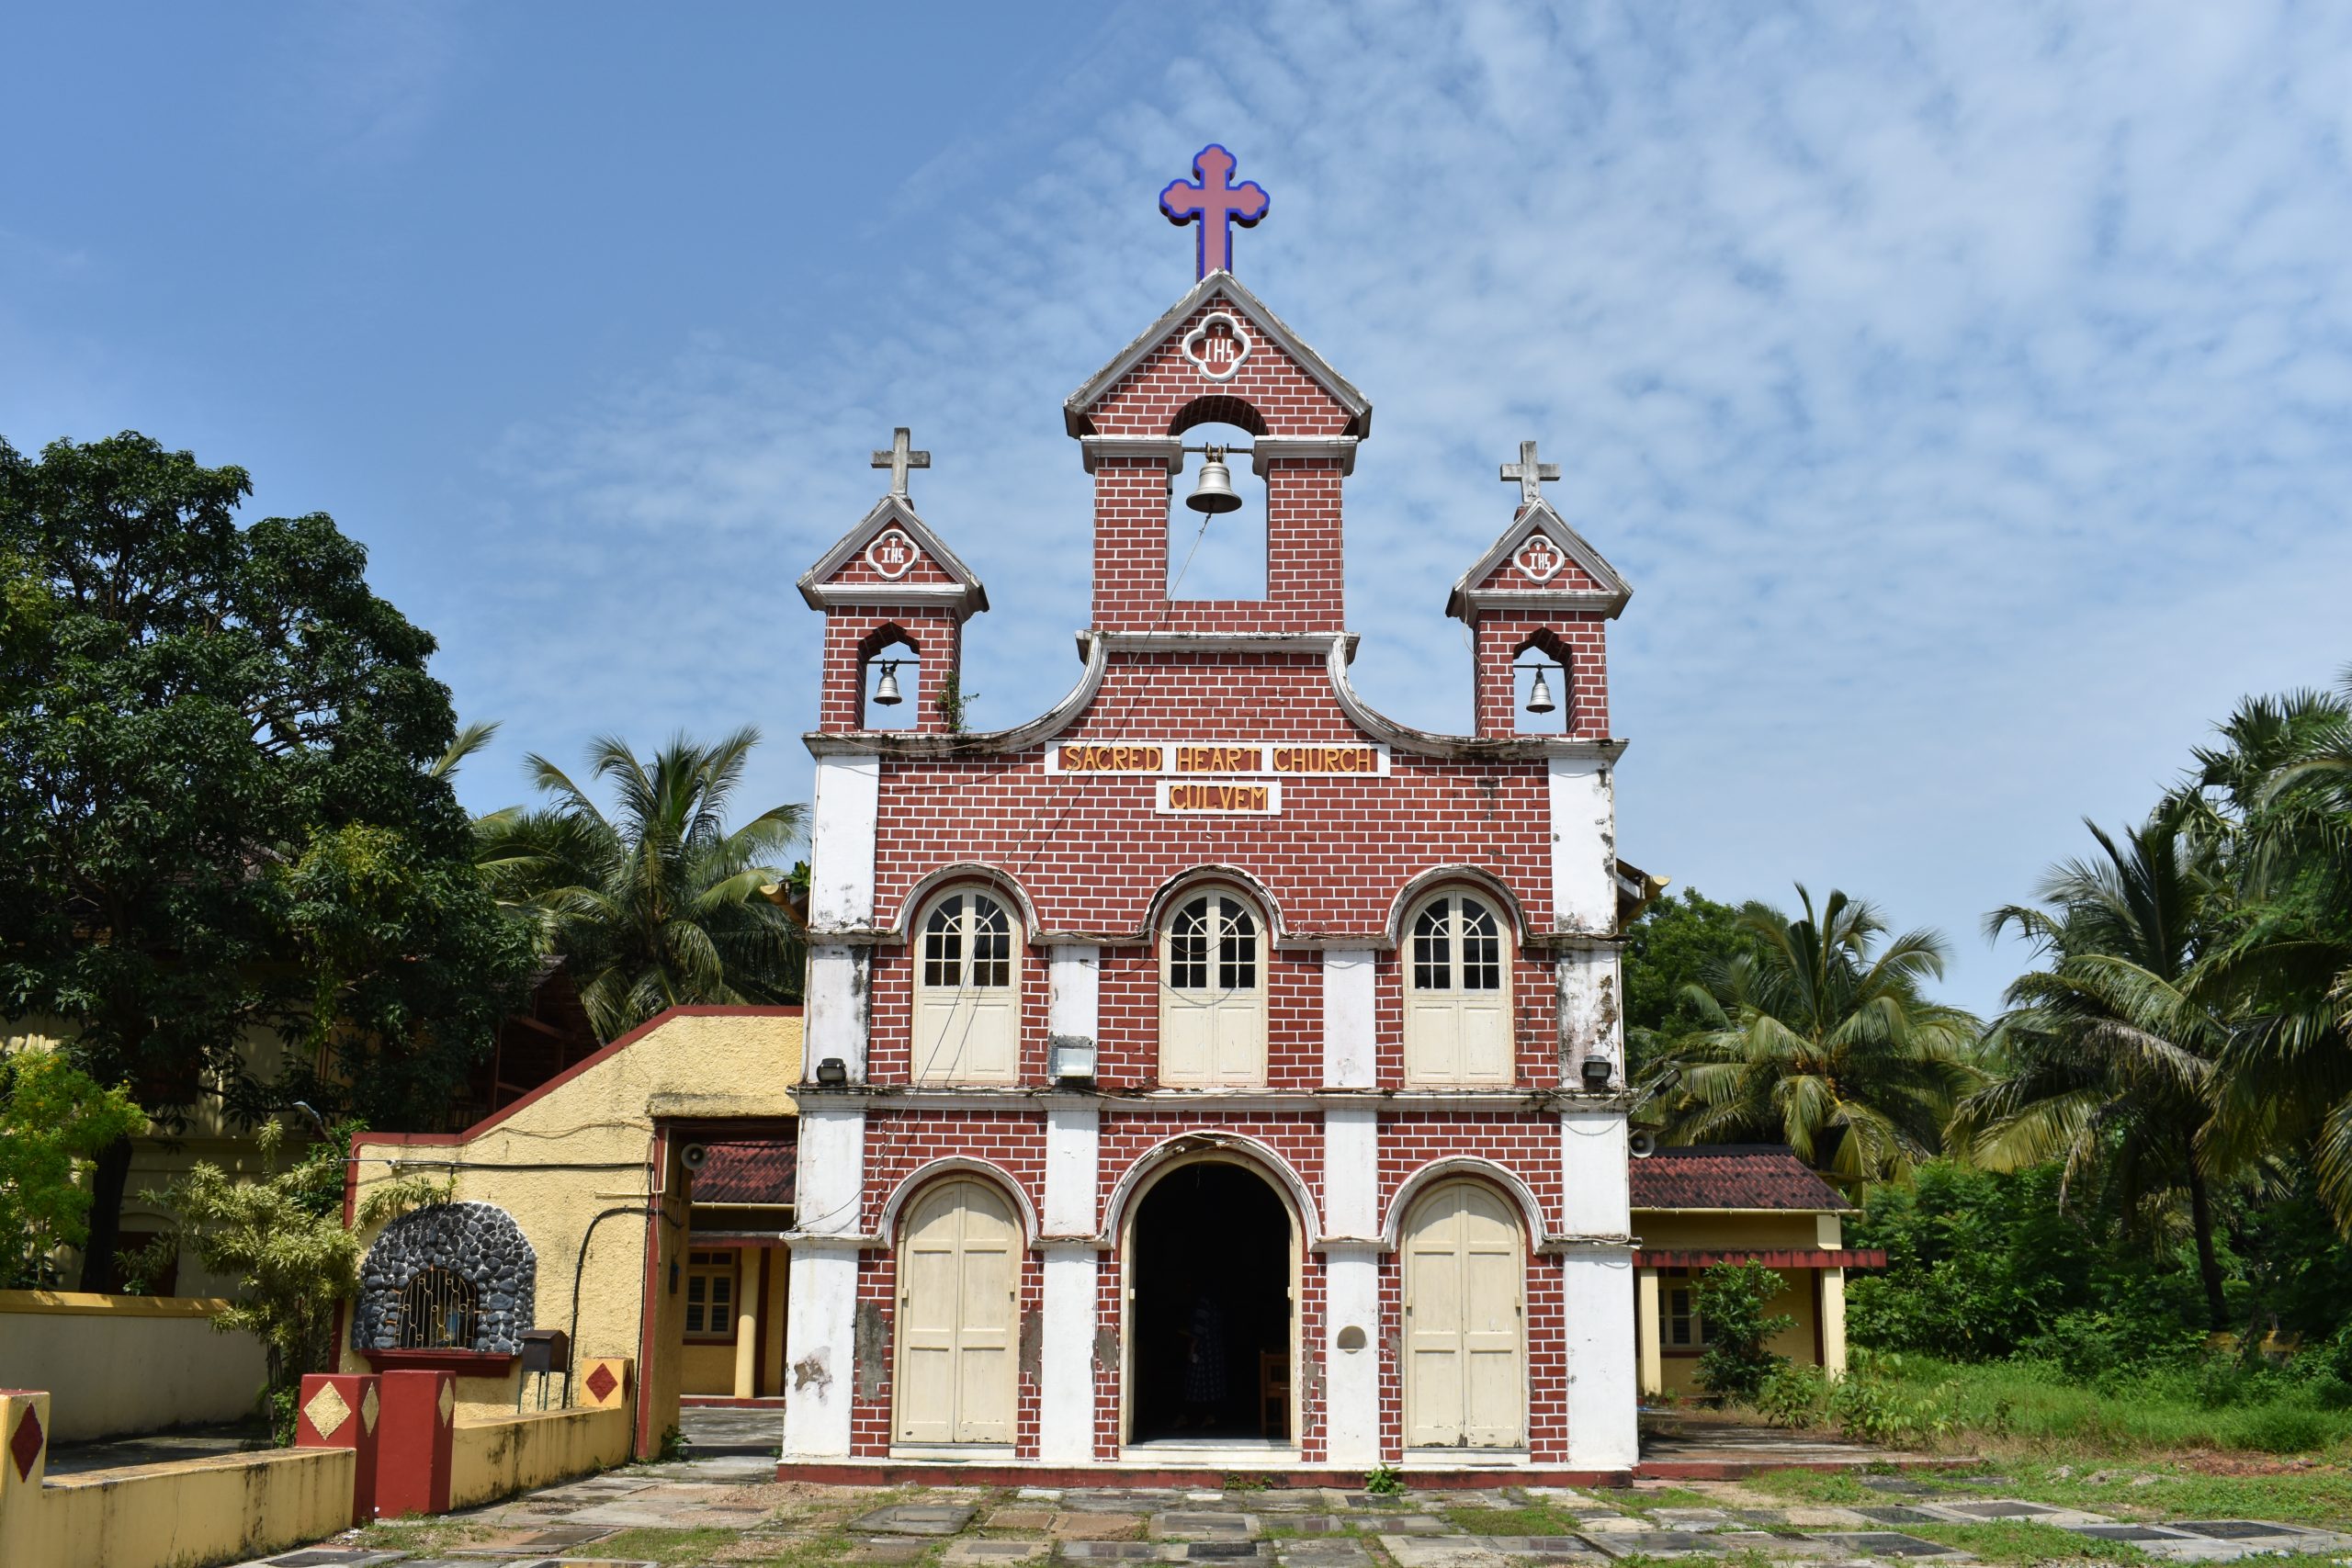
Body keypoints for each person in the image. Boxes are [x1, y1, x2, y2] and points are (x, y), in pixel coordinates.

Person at [1174, 1290, 1228, 1431]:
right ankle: (1211, 1416)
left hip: (1204, 1350)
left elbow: (1199, 1329)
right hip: (1215, 1348)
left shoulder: (1204, 1303)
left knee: (1193, 1384)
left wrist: (1192, 1347)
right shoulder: (1217, 1304)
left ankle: (1187, 1416)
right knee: (1212, 1386)